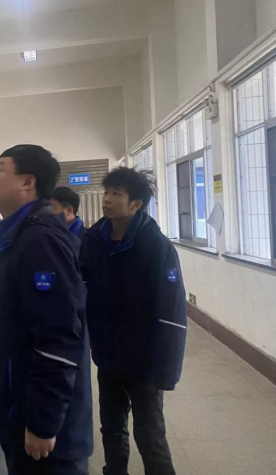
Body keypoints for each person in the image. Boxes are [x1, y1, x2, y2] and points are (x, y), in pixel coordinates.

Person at [0, 145, 93, 475]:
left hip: (39, 425)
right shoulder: (22, 237)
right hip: (19, 410)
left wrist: (43, 423)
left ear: (27, 182)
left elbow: (59, 337)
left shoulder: (39, 241)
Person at [80, 168, 187, 475]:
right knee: (111, 426)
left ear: (136, 204)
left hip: (145, 360)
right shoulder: (94, 240)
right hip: (108, 355)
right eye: (106, 192)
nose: (107, 199)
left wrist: (167, 370)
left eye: (116, 194)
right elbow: (82, 286)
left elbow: (172, 310)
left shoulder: (155, 245)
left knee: (149, 433)